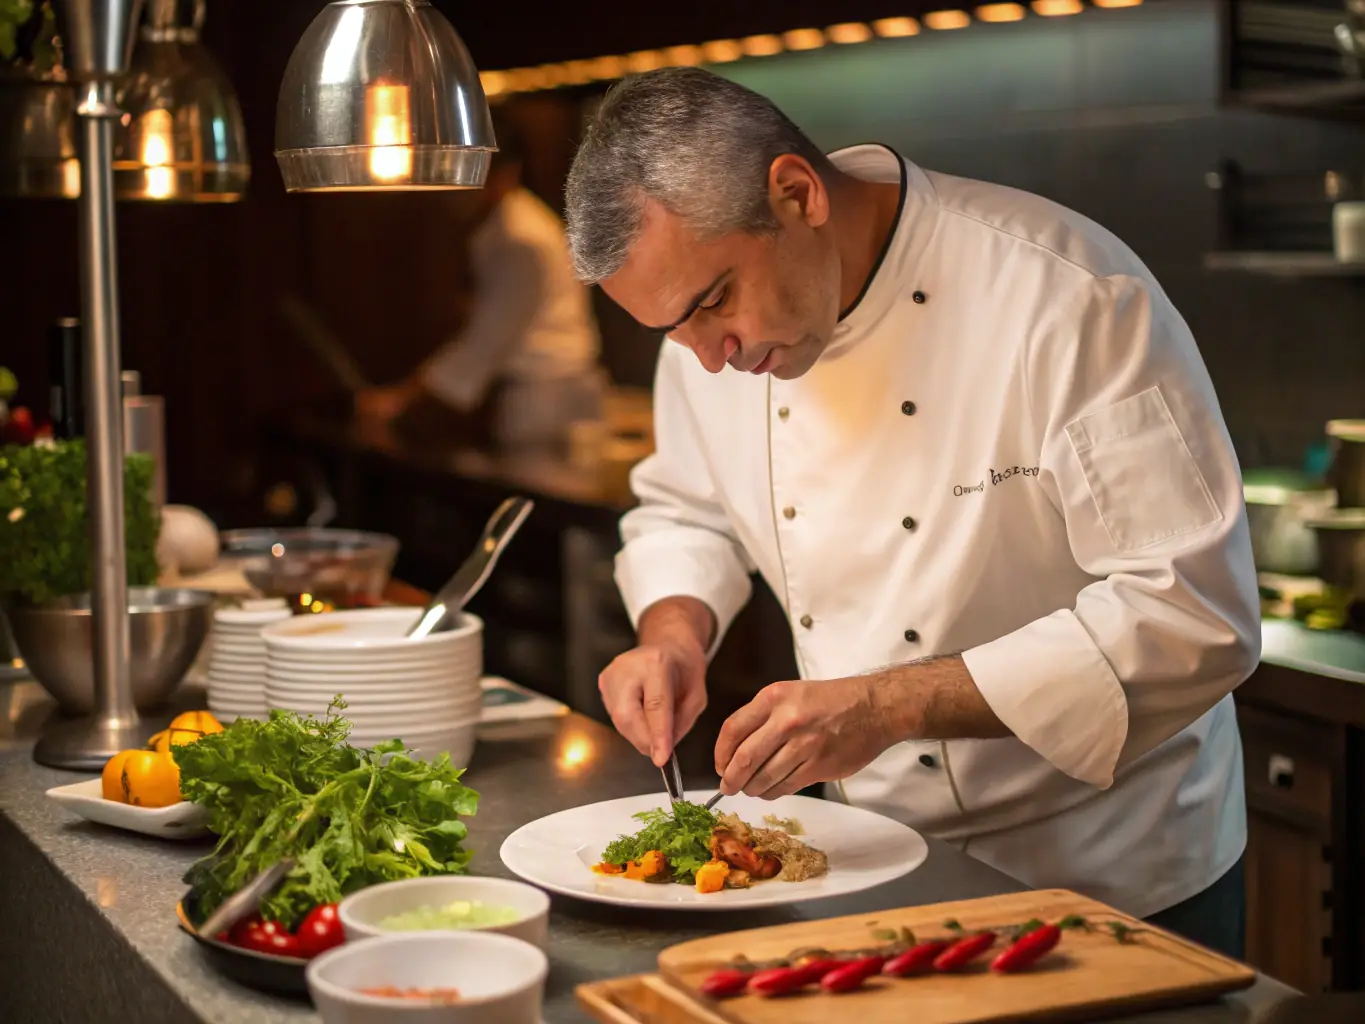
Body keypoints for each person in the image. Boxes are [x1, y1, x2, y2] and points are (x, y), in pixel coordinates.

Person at [565, 68, 1259, 958]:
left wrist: (889, 706)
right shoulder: (716, 344)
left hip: (1111, 875)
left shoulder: (1068, 296)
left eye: (711, 304)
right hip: (875, 860)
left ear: (796, 193)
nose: (707, 359)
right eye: (674, 331)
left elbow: (1191, 613)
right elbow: (687, 512)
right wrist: (670, 636)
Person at [356, 107, 605, 451]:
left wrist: (398, 400)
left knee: (536, 498)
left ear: (507, 173)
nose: (458, 187)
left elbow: (484, 342)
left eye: (473, 173)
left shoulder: (521, 239)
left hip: (545, 400)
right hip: (533, 396)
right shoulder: (500, 228)